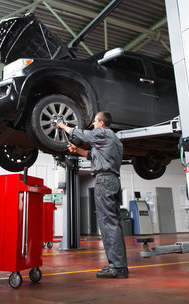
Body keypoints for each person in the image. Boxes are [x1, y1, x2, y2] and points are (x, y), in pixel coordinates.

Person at [57, 111, 128, 279]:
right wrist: (77, 150)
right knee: (113, 223)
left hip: (104, 180)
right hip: (113, 180)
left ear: (102, 123)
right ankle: (117, 265)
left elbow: (83, 134)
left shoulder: (103, 133)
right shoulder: (115, 141)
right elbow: (92, 155)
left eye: (95, 122)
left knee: (108, 223)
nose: (94, 124)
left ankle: (117, 268)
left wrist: (63, 126)